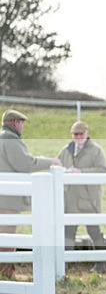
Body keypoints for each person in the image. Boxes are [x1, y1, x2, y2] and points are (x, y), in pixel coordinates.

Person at [0, 110, 62, 279]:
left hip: (3, 197)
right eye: (21, 122)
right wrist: (50, 161)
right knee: (8, 238)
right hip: (9, 201)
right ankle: (6, 275)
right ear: (14, 123)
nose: (23, 126)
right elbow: (25, 163)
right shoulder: (11, 140)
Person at [57, 121, 106, 273]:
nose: (78, 137)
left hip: (89, 200)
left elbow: (104, 172)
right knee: (68, 232)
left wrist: (81, 172)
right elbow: (57, 167)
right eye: (75, 134)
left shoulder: (96, 151)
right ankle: (64, 265)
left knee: (94, 231)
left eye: (81, 134)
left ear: (87, 134)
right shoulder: (65, 150)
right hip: (70, 200)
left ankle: (101, 265)